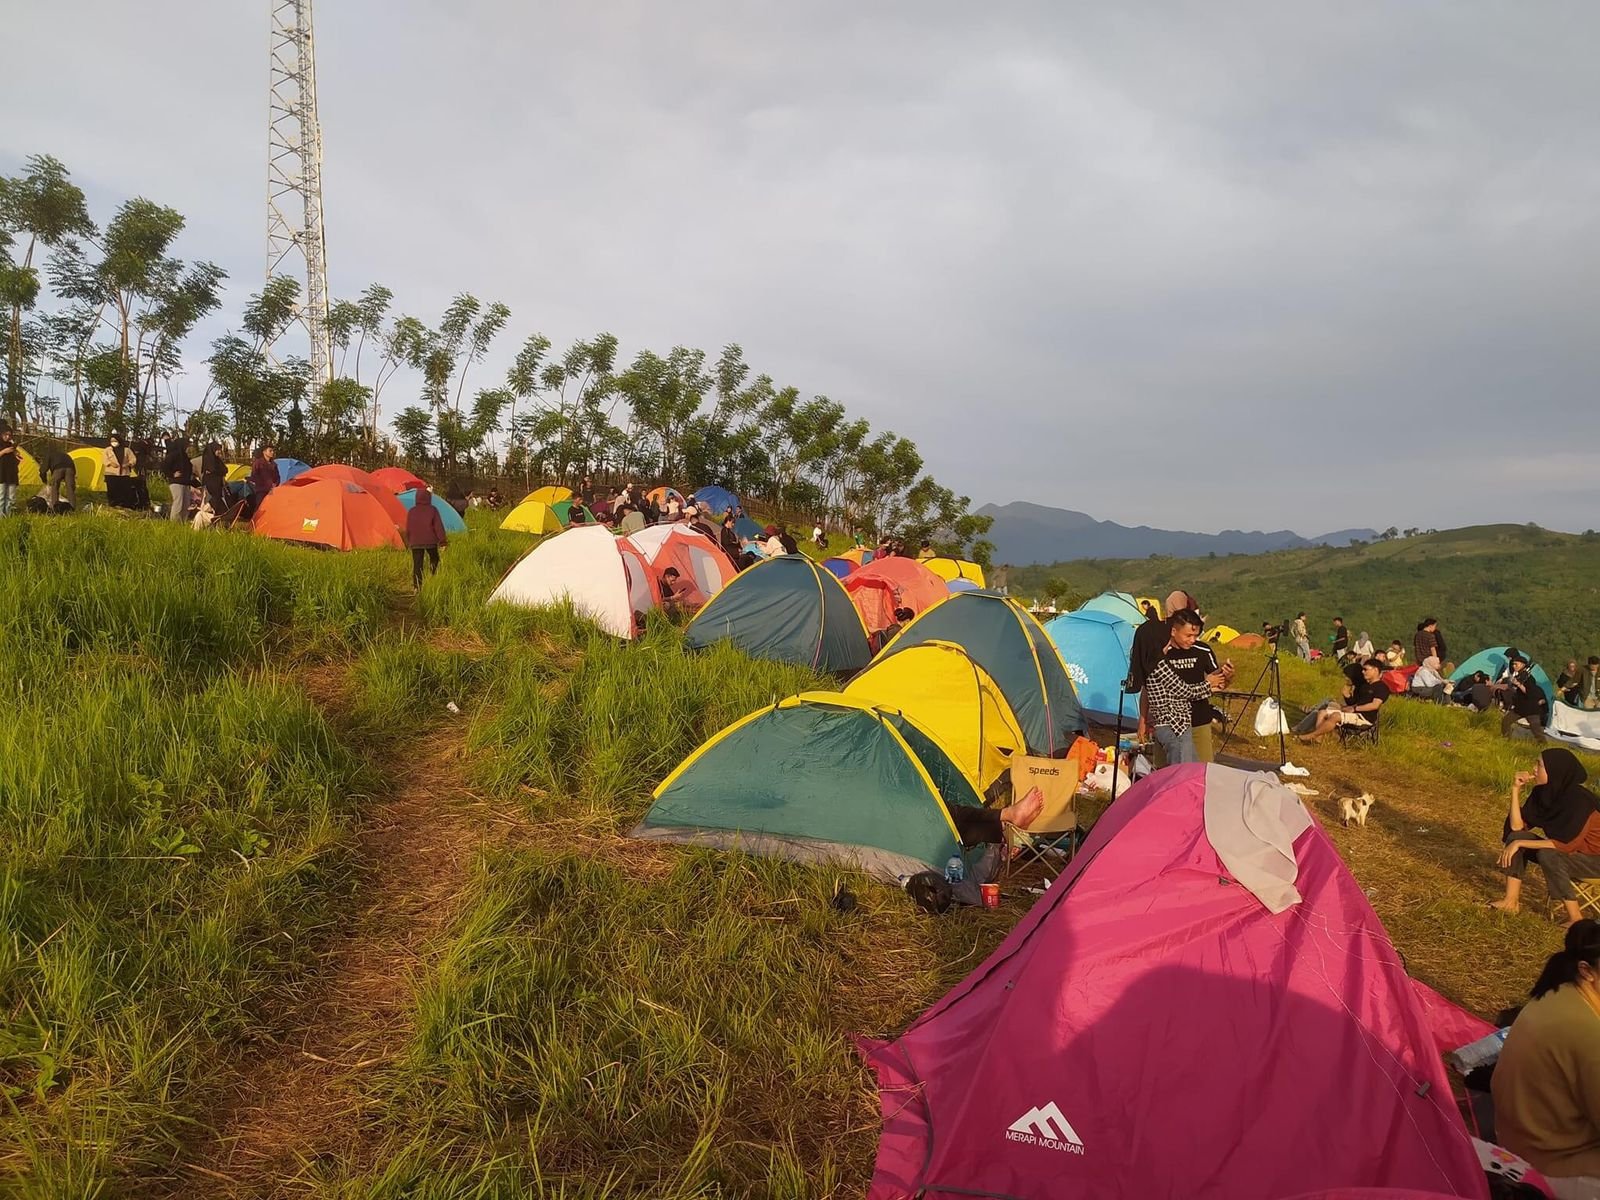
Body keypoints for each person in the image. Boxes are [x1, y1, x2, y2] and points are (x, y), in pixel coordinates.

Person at [1492, 918, 1600, 1196]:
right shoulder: (1587, 1032)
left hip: (1519, 1137)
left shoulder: (1560, 992)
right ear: (1587, 970)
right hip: (1553, 1164)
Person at [1490, 749, 1600, 927]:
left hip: (1595, 860)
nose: (1534, 769)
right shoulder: (1544, 792)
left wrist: (1519, 843)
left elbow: (1565, 844)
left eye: (1539, 765)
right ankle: (1510, 902)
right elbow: (1517, 827)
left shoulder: (1580, 801)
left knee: (1546, 853)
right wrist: (1515, 790)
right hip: (1572, 854)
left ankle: (1576, 919)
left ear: (1555, 770)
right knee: (1517, 836)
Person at [1143, 609, 1230, 765]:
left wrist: (1227, 676)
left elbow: (1219, 681)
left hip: (1199, 721)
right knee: (1169, 772)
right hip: (1172, 725)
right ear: (1173, 631)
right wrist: (1143, 720)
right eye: (1188, 635)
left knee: (1199, 772)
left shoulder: (1202, 650)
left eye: (1196, 635)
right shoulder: (1159, 658)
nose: (1192, 640)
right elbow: (1183, 690)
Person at [1129, 589, 1195, 742]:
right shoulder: (1191, 640)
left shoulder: (1147, 632)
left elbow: (1147, 683)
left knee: (1164, 762)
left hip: (1159, 717)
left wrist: (1143, 720)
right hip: (1186, 720)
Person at [1299, 658, 1389, 742]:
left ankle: (1312, 735)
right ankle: (1319, 738)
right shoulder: (1364, 686)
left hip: (1364, 718)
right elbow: (1357, 702)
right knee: (1322, 712)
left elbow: (1375, 705)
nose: (1363, 672)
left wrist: (1354, 709)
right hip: (1354, 713)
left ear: (1375, 670)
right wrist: (1347, 698)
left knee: (1335, 716)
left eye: (1366, 669)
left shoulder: (1381, 687)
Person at [405, 484, 448, 589]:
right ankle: (433, 575)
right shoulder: (433, 510)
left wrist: (409, 541)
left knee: (417, 564)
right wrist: (443, 542)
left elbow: (409, 528)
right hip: (430, 541)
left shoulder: (411, 511)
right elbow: (438, 527)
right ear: (429, 498)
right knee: (434, 558)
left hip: (415, 542)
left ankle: (417, 587)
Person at [1503, 652, 1551, 744]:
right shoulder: (1519, 676)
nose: (1514, 666)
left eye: (1516, 664)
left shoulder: (1529, 678)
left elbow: (1529, 692)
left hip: (1531, 708)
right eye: (1513, 664)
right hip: (1520, 707)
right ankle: (1506, 740)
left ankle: (1543, 746)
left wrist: (1518, 685)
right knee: (1505, 722)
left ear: (1522, 665)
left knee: (1536, 731)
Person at [162, 433, 193, 522]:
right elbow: (164, 466)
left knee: (186, 504)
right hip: (176, 482)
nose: (188, 448)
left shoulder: (185, 458)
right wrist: (172, 474)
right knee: (178, 504)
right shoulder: (173, 455)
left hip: (185, 483)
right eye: (187, 446)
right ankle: (174, 523)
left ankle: (183, 523)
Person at [38, 444, 76, 510]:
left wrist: (44, 480)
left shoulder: (48, 455)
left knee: (55, 487)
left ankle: (54, 507)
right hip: (70, 468)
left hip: (58, 468)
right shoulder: (65, 454)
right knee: (70, 489)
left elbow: (43, 470)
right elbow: (72, 465)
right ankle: (72, 508)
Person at [248, 445, 279, 515]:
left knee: (270, 508)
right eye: (270, 451)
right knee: (259, 507)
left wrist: (275, 484)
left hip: (272, 490)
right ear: (264, 452)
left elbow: (277, 477)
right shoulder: (258, 463)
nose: (272, 452)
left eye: (273, 451)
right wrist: (264, 485)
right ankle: (254, 523)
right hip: (261, 490)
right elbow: (254, 476)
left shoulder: (274, 464)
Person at [199, 442, 229, 512]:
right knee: (214, 499)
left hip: (217, 484)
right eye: (217, 450)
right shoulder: (208, 459)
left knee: (218, 499)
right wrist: (219, 471)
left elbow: (225, 470)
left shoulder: (217, 459)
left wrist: (217, 471)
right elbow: (213, 469)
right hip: (210, 485)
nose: (219, 452)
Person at [0, 427, 19, 516]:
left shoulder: (12, 446)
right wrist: (4, 451)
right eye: (5, 434)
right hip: (1, 474)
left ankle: (9, 515)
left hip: (12, 474)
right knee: (1, 496)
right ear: (1, 434)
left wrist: (16, 454)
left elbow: (16, 459)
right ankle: (1, 516)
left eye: (9, 435)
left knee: (11, 497)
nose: (7, 437)